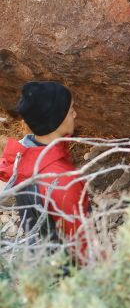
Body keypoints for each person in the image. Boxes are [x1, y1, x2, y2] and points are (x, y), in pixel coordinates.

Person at [0, 81, 88, 250]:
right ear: (56, 121)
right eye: (70, 110)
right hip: (70, 271)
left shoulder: (23, 158)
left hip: (43, 262)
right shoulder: (61, 180)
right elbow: (81, 246)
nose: (75, 114)